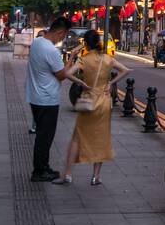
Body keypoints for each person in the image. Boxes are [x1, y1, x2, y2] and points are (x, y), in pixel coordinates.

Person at [56, 30, 130, 186]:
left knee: (77, 137)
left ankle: (68, 174)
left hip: (88, 100)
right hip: (103, 101)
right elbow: (126, 70)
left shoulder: (84, 59)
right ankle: (96, 176)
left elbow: (68, 73)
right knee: (101, 139)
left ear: (87, 44)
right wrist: (111, 83)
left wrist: (81, 83)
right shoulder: (107, 59)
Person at [27, 17, 71, 181]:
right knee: (45, 137)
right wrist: (72, 60)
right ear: (60, 32)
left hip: (35, 96)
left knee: (42, 134)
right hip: (47, 99)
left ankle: (44, 166)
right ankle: (39, 171)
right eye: (64, 35)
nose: (63, 39)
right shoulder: (51, 51)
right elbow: (61, 75)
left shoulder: (37, 42)